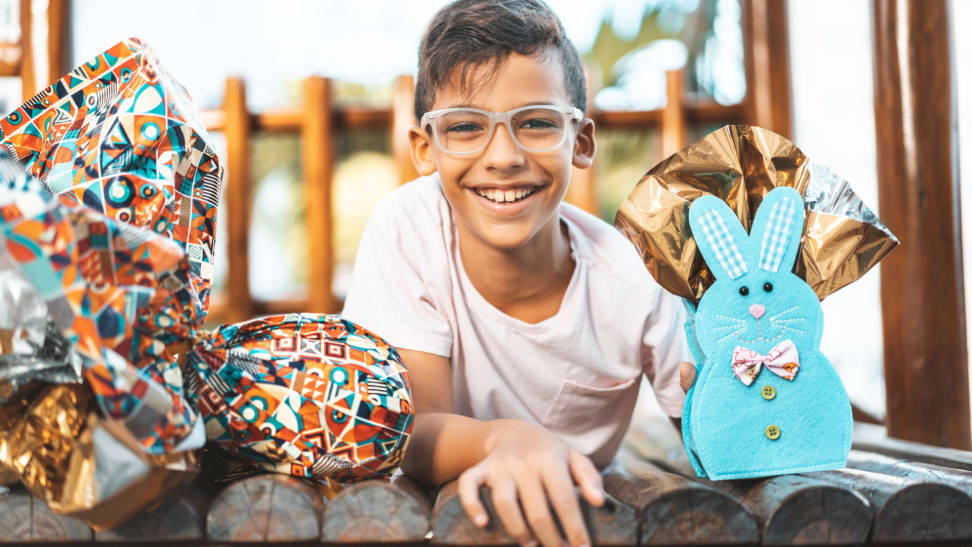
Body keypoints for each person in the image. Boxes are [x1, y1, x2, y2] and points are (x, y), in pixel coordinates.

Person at [343, 1, 695, 545]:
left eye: (535, 123)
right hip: (433, 521)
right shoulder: (408, 227)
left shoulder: (638, 279)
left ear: (580, 142)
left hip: (582, 519)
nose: (503, 156)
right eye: (464, 127)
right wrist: (503, 441)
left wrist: (733, 379)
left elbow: (710, 431)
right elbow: (410, 430)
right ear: (424, 148)